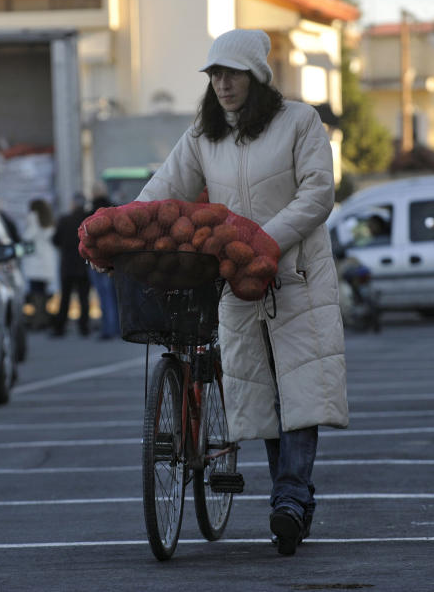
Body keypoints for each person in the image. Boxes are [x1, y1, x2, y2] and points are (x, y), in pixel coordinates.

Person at [135, 28, 346, 555]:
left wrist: (263, 241)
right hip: (237, 283)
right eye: (214, 75)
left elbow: (319, 193)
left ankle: (291, 500)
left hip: (298, 279)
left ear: (256, 76)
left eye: (231, 73)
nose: (222, 84)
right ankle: (290, 501)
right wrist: (123, 229)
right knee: (266, 397)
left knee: (302, 393)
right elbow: (162, 192)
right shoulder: (203, 136)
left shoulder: (301, 121)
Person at [51, 193, 91, 337]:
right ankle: (84, 327)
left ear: (73, 204)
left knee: (65, 298)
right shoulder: (88, 221)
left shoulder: (64, 220)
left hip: (67, 265)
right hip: (83, 265)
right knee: (83, 298)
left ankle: (60, 328)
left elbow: (55, 240)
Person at [88, 184, 121, 340]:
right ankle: (118, 327)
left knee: (104, 296)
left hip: (96, 259)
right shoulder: (115, 209)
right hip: (114, 259)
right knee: (115, 296)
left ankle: (108, 328)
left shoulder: (89, 213)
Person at [21, 198, 58, 331]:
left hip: (35, 263)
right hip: (47, 262)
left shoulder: (33, 219)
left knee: (35, 292)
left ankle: (38, 320)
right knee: (42, 292)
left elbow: (27, 237)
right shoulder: (49, 221)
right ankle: (43, 319)